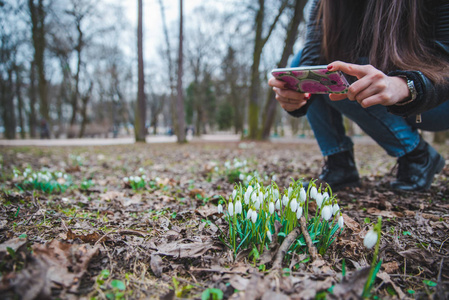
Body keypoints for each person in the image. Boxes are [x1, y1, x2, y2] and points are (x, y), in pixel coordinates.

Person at [269, 0, 449, 192]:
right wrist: (297, 98)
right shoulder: (323, 4)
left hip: (437, 100)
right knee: (305, 66)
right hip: (388, 96)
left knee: (342, 68)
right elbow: (311, 59)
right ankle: (340, 163)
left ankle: (416, 155)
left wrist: (405, 85)